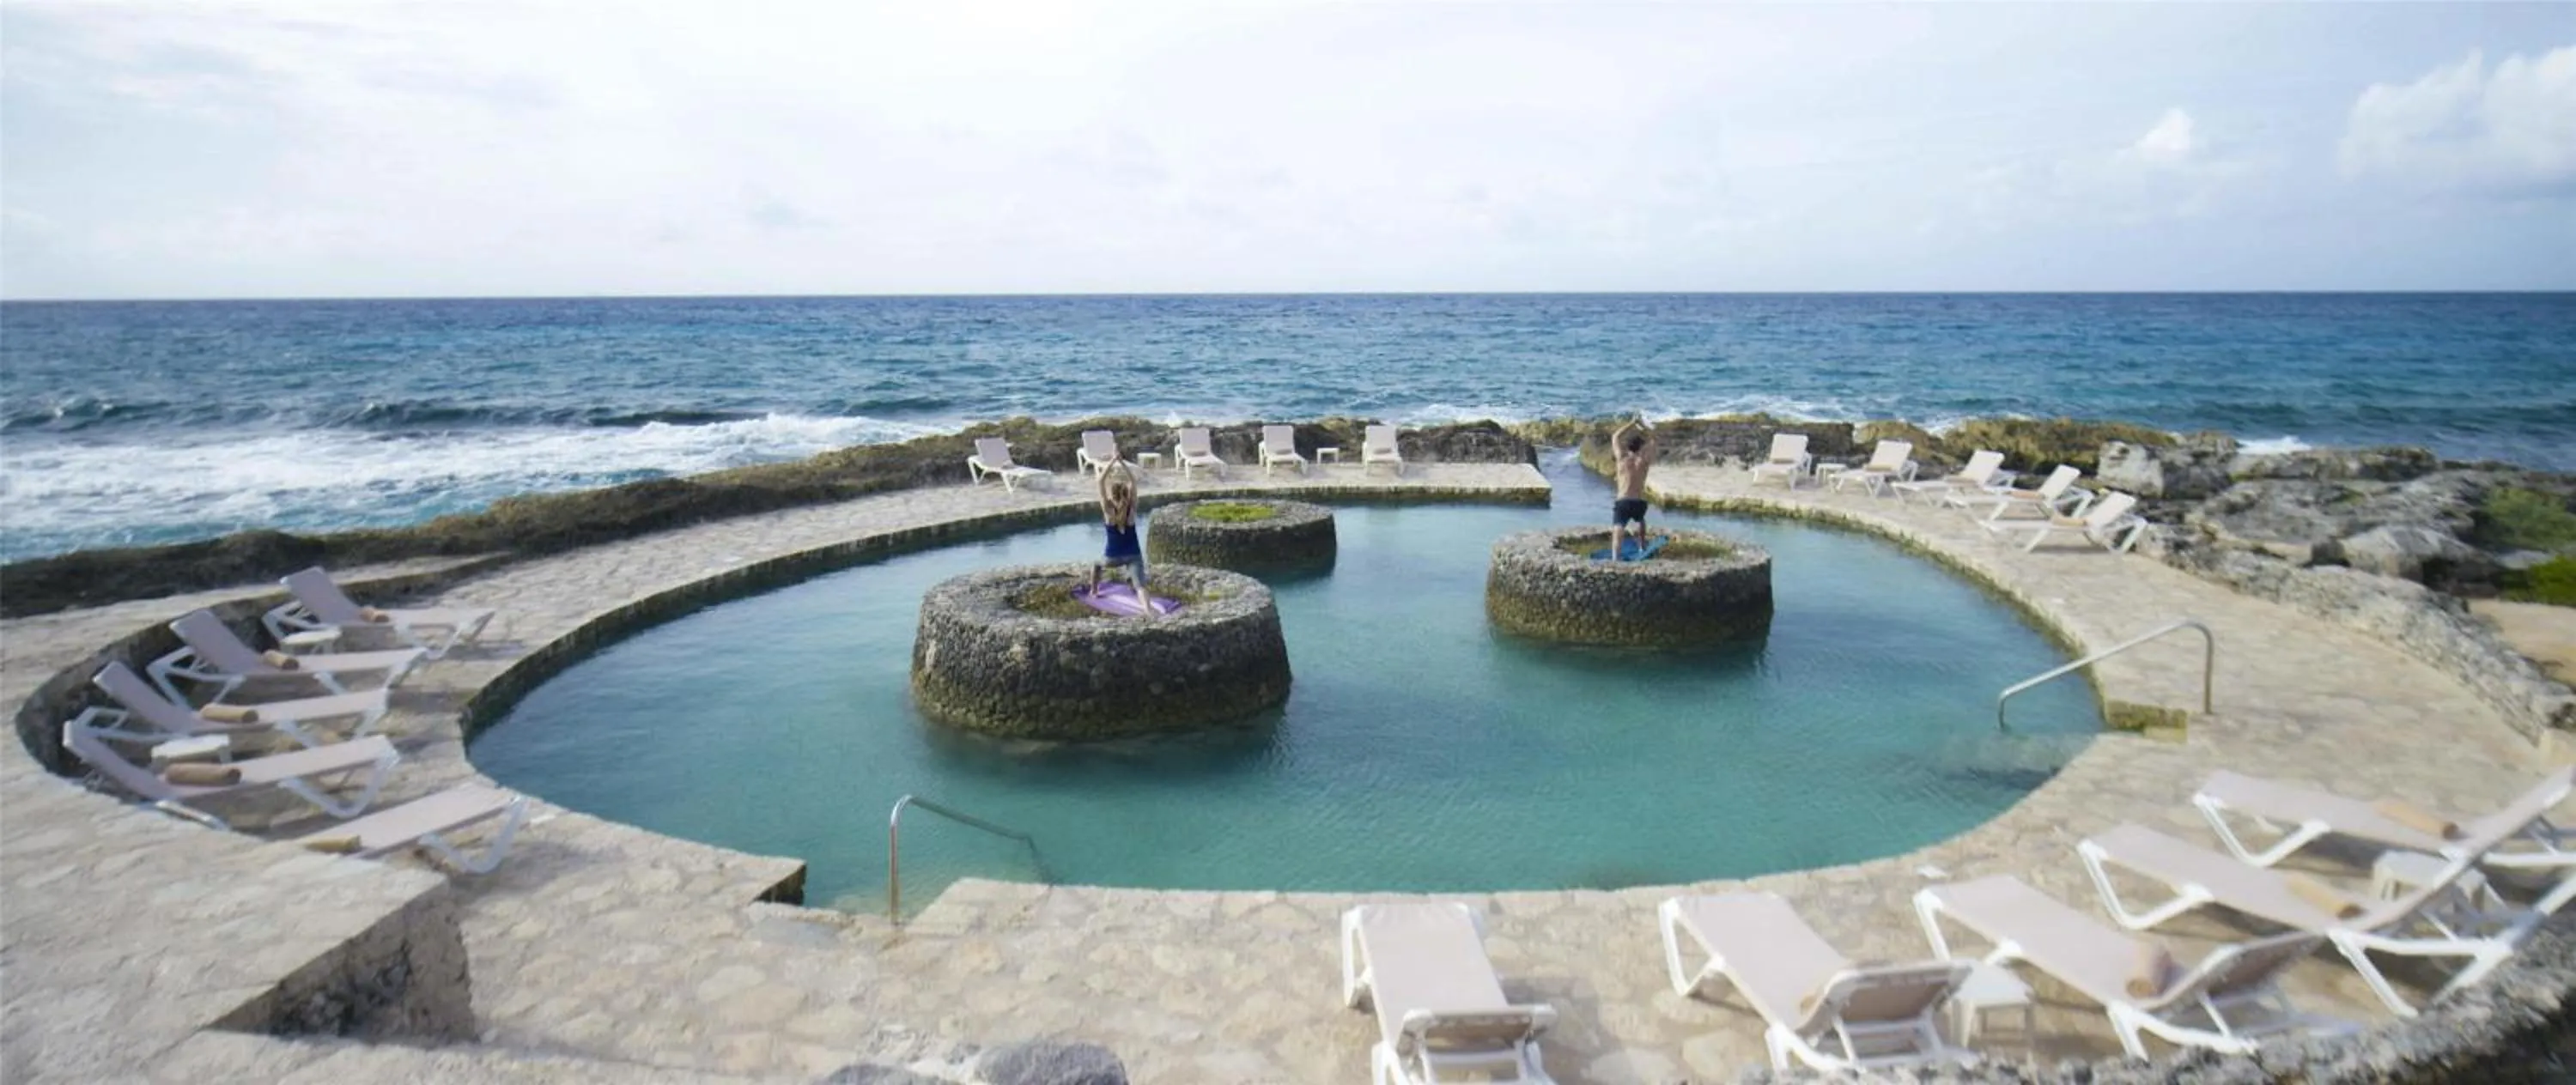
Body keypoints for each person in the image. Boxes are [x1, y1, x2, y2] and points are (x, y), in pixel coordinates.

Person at [1091, 462, 1147, 595]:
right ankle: (1132, 582)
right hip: (1133, 555)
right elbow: (1133, 481)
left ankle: (1094, 591)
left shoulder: (1109, 512)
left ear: (1112, 495)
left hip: (1112, 558)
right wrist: (1121, 462)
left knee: (1096, 564)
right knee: (1134, 570)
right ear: (1127, 494)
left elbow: (1100, 481)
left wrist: (1112, 461)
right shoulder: (1131, 510)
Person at [1609, 417, 1657, 559]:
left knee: (1618, 529)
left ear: (1627, 447)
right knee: (1641, 521)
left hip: (1623, 501)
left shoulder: (1621, 460)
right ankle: (1642, 546)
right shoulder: (1643, 462)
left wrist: (1631, 423)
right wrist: (1645, 428)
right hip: (1639, 502)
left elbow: (1615, 436)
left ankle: (1615, 557)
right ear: (1641, 448)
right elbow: (1654, 440)